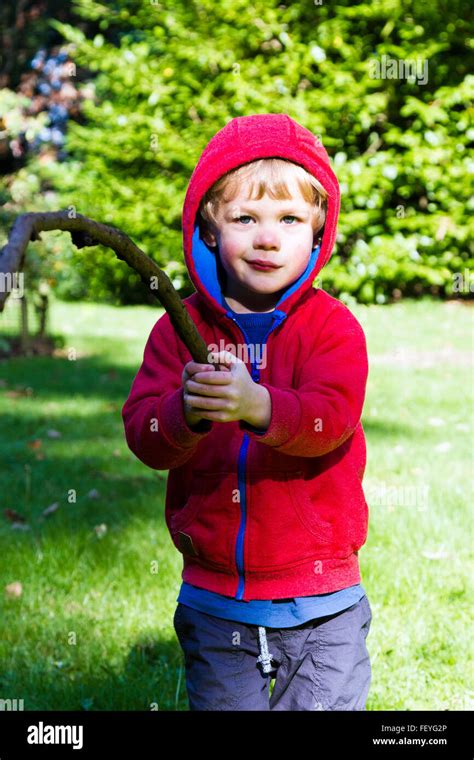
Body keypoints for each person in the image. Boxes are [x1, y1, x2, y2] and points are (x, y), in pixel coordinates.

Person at [122, 113, 373, 711]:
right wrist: (186, 411)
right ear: (209, 228)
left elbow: (330, 420)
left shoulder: (332, 329)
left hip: (320, 599)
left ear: (318, 230)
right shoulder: (177, 331)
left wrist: (261, 406)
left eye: (289, 219)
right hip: (214, 599)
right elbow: (144, 433)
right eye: (245, 218)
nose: (268, 238)